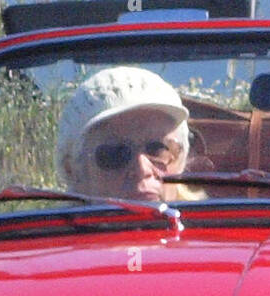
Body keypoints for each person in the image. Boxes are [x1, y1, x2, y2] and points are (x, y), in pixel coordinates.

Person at [56, 66, 193, 203]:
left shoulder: (210, 221)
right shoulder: (46, 223)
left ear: (180, 160)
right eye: (115, 154)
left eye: (158, 149)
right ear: (73, 171)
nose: (142, 170)